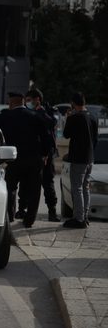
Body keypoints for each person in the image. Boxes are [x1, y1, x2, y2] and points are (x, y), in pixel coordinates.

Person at [0, 91, 52, 228]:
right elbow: (47, 136)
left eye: (9, 103)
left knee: (10, 188)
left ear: (13, 103)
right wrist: (44, 154)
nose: (8, 105)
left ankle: (9, 216)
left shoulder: (7, 116)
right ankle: (29, 220)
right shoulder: (35, 116)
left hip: (13, 159)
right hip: (33, 160)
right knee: (34, 191)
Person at [16, 88, 60, 222]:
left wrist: (40, 112)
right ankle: (22, 209)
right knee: (25, 182)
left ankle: (52, 211)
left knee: (47, 183)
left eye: (29, 100)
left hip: (46, 155)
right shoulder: (27, 113)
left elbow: (52, 124)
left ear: (37, 100)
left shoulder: (47, 113)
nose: (27, 103)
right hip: (30, 153)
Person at [62, 91, 99, 228]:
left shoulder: (74, 118)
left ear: (73, 103)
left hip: (78, 158)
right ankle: (85, 216)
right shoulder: (93, 117)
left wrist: (68, 118)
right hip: (90, 158)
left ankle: (78, 219)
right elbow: (95, 139)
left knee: (76, 188)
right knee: (85, 188)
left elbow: (66, 135)